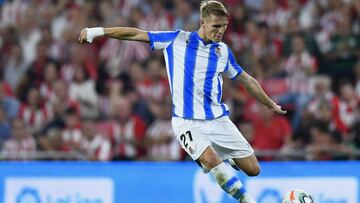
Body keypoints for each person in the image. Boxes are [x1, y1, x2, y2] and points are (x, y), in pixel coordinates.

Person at [78, 1, 286, 202]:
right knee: (211, 161)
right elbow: (135, 33)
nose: (220, 31)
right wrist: (98, 31)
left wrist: (269, 104)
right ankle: (246, 199)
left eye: (224, 26)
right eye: (216, 26)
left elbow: (245, 80)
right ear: (203, 22)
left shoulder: (222, 52)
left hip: (217, 119)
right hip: (186, 121)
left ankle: (226, 157)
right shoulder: (177, 40)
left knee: (253, 170)